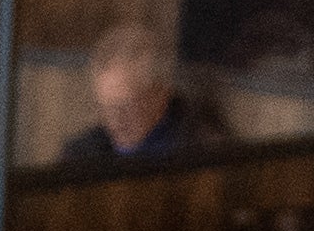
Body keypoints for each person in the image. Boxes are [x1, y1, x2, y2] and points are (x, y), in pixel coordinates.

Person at [54, 25, 211, 163]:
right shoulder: (80, 157)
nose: (116, 121)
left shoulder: (204, 153)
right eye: (107, 108)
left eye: (126, 106)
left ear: (160, 96)